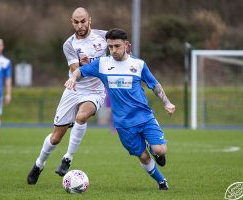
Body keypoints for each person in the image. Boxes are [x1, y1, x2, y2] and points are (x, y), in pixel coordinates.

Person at [64, 28, 176, 190]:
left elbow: (154, 84)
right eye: (110, 47)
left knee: (160, 149)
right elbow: (80, 71)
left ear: (126, 45)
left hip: (144, 117)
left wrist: (167, 103)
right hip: (123, 124)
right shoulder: (102, 64)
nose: (113, 50)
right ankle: (161, 181)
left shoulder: (138, 64)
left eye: (117, 46)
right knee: (143, 157)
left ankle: (154, 148)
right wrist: (73, 78)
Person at [27, 7, 108, 184]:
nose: (80, 25)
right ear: (72, 22)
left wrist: (125, 48)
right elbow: (75, 70)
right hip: (74, 89)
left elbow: (121, 44)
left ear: (90, 20)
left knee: (82, 116)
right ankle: (39, 164)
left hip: (95, 91)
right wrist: (82, 69)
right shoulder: (69, 44)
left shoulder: (104, 37)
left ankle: (67, 159)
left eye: (83, 21)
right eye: (76, 22)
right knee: (56, 137)